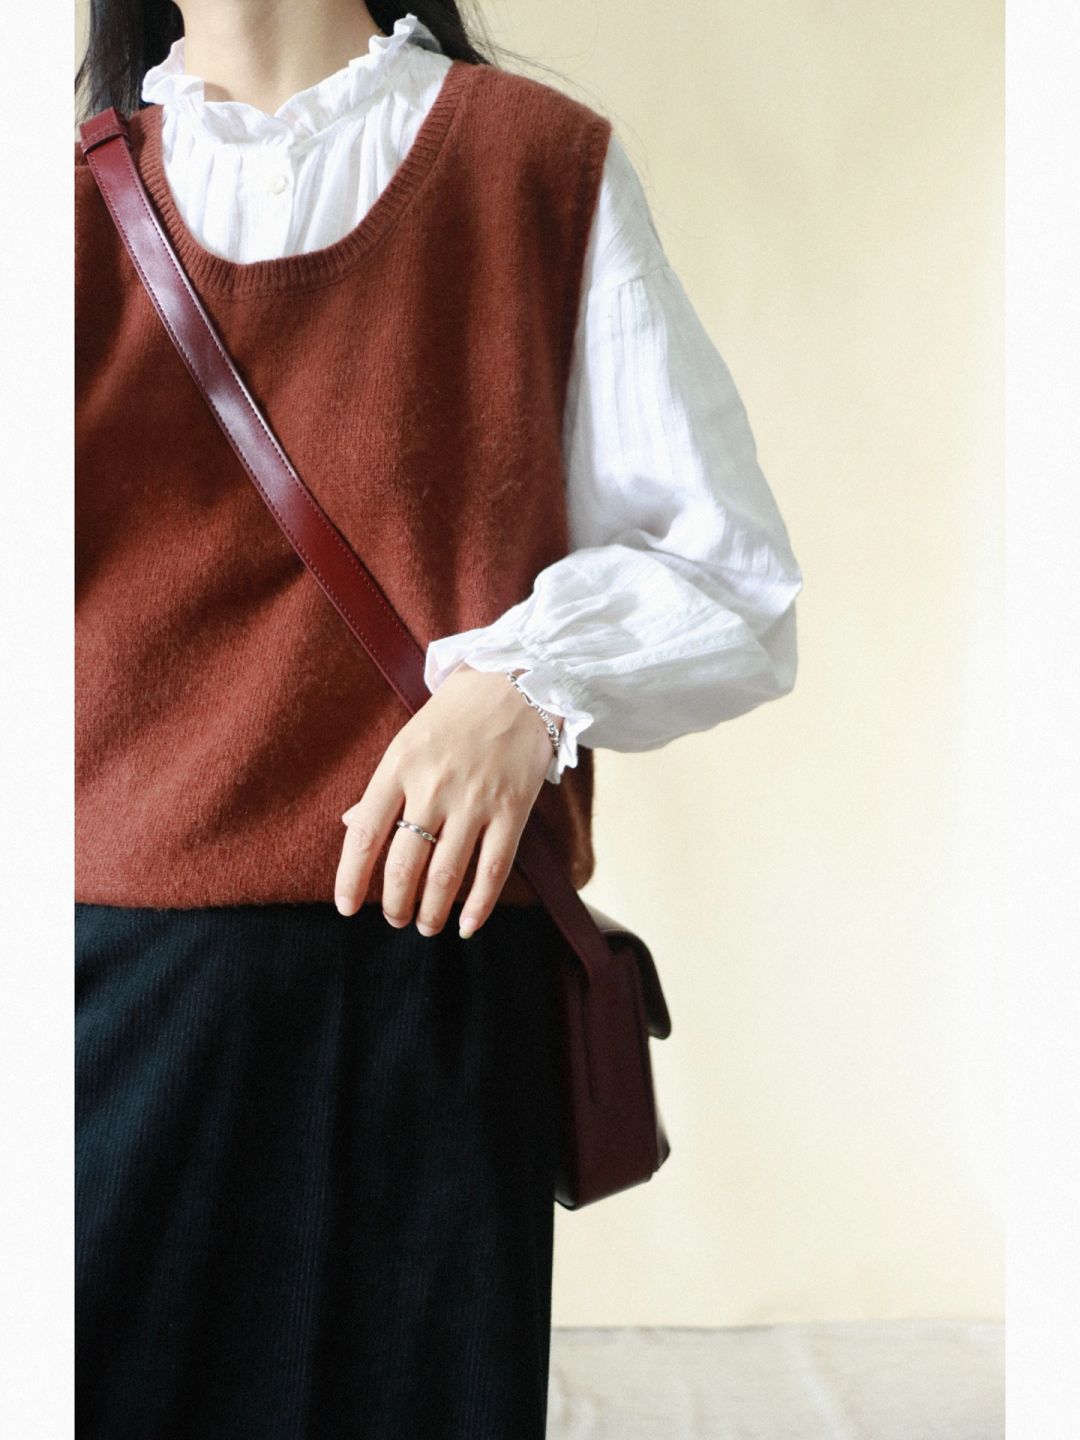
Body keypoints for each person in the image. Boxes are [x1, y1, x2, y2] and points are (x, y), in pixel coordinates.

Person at [74, 4, 804, 1437]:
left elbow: (728, 569)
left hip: (441, 985)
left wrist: (522, 687)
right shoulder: (59, 218)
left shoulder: (535, 165)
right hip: (114, 996)